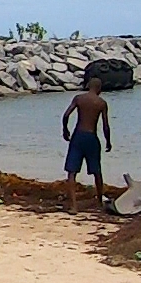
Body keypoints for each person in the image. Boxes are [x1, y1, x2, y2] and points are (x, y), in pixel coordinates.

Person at [62, 75, 113, 213]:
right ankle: (99, 202)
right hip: (91, 137)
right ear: (99, 89)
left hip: (78, 136)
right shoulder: (101, 103)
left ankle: (74, 206)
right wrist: (108, 141)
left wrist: (65, 129)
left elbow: (66, 115)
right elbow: (105, 126)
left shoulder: (79, 98)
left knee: (72, 172)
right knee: (97, 171)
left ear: (88, 86)